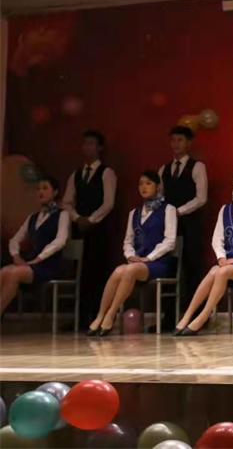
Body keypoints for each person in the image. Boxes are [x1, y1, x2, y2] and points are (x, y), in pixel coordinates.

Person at [175, 167, 233, 336]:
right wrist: (221, 257)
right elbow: (217, 238)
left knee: (222, 272)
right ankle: (187, 316)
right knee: (214, 270)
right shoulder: (226, 209)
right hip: (228, 260)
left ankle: (203, 317)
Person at [87, 171, 177, 336]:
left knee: (130, 270)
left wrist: (149, 258)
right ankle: (100, 315)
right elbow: (128, 241)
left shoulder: (168, 210)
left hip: (159, 262)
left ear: (157, 187)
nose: (143, 187)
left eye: (148, 183)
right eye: (141, 183)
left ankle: (111, 314)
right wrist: (130, 256)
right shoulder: (134, 213)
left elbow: (170, 241)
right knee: (118, 270)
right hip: (138, 261)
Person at [62, 130, 117, 329]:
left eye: (91, 143)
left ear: (100, 147)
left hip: (99, 229)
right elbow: (67, 201)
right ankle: (79, 317)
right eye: (85, 143)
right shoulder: (76, 175)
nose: (87, 147)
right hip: (79, 229)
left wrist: (92, 219)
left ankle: (97, 317)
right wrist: (77, 218)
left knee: (98, 272)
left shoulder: (107, 173)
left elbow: (108, 202)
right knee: (80, 273)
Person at [157, 126, 207, 331]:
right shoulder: (164, 169)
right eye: (173, 140)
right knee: (169, 268)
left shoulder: (197, 167)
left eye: (180, 140)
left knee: (192, 269)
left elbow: (201, 198)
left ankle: (196, 318)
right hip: (169, 227)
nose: (176, 144)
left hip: (191, 225)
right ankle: (168, 317)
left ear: (188, 143)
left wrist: (178, 211)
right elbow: (159, 196)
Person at [0, 177, 70, 317]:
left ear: (55, 192)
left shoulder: (63, 215)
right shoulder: (33, 217)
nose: (40, 192)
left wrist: (39, 258)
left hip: (49, 264)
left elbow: (60, 241)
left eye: (45, 188)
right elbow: (15, 240)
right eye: (38, 189)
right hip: (31, 263)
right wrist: (16, 256)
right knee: (4, 271)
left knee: (14, 274)